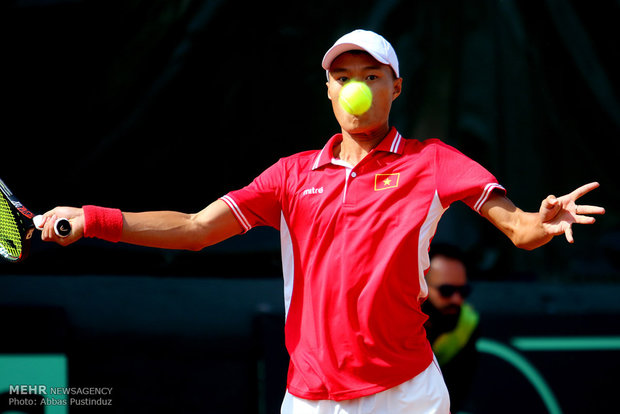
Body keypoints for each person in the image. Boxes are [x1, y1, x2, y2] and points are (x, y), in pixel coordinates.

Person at [37, 29, 604, 414]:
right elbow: (194, 229)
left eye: (371, 74)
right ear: (330, 92)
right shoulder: (290, 175)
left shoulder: (432, 162)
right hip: (311, 396)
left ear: (395, 87)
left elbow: (521, 230)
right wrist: (92, 219)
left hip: (407, 392)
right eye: (343, 76)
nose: (356, 86)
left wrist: (544, 220)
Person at [423, 243, 479, 412]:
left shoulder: (467, 324)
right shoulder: (397, 324)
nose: (456, 300)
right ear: (421, 288)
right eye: (446, 291)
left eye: (463, 291)